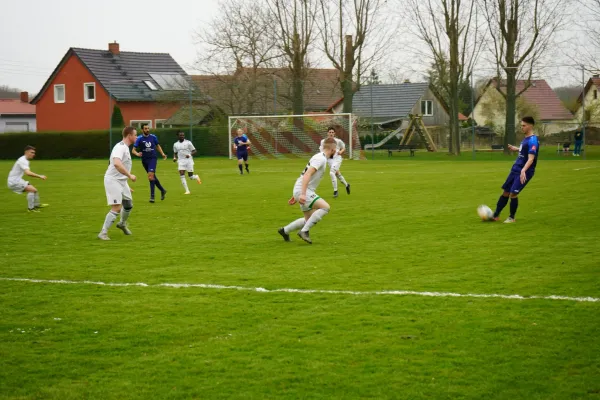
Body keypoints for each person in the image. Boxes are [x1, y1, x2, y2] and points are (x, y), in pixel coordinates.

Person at [278, 138, 337, 244]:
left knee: (308, 220)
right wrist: (302, 194)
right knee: (325, 207)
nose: (336, 151)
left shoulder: (319, 157)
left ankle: (284, 230)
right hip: (304, 191)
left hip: (300, 189)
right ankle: (304, 232)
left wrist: (297, 194)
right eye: (336, 149)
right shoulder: (321, 159)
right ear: (332, 149)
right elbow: (307, 174)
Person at [492, 116, 539, 224]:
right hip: (515, 169)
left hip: (525, 171)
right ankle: (495, 215)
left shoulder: (533, 140)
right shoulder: (526, 139)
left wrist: (523, 171)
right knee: (506, 192)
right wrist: (516, 149)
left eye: (524, 125)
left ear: (530, 125)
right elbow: (525, 151)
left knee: (513, 193)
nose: (522, 127)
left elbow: (531, 159)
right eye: (521, 125)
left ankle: (512, 217)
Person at [98, 126, 138, 240]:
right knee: (116, 208)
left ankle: (122, 224)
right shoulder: (120, 147)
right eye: (135, 135)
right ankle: (103, 233)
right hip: (113, 181)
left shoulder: (125, 148)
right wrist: (130, 176)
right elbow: (116, 163)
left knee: (128, 205)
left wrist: (125, 184)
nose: (137, 137)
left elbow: (115, 165)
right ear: (129, 135)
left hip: (121, 181)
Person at [132, 123, 167, 202]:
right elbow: (133, 150)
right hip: (144, 160)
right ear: (142, 130)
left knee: (150, 176)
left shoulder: (153, 137)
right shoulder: (139, 139)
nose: (147, 130)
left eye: (148, 128)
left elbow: (158, 146)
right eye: (145, 128)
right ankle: (162, 190)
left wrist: (162, 154)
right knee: (152, 176)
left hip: (152, 159)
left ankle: (152, 197)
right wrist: (137, 154)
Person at [7, 145, 48, 212]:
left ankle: (37, 205)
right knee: (32, 190)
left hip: (17, 180)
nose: (33, 154)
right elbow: (28, 173)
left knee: (35, 190)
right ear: (26, 152)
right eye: (31, 152)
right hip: (14, 181)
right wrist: (40, 176)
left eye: (34, 153)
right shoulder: (22, 160)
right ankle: (31, 209)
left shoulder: (25, 160)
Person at [319, 127, 350, 197]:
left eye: (332, 132)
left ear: (334, 133)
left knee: (331, 173)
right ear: (327, 133)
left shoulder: (338, 141)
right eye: (330, 132)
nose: (331, 134)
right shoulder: (323, 141)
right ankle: (347, 185)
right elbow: (321, 150)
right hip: (329, 160)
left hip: (337, 159)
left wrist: (340, 152)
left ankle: (335, 191)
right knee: (337, 174)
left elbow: (344, 148)